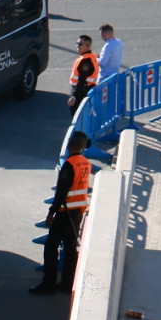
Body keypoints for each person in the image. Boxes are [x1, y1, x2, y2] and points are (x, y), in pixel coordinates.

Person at [31, 131, 92, 295]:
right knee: (71, 247)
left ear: (70, 144)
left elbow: (62, 192)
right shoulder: (85, 163)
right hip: (78, 210)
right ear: (83, 146)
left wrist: (51, 212)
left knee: (51, 246)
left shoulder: (69, 164)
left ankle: (49, 283)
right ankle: (68, 283)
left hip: (66, 211)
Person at [68, 34, 100, 116]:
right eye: (77, 43)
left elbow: (82, 80)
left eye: (80, 44)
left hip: (81, 91)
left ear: (87, 46)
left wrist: (74, 97)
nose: (77, 46)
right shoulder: (90, 55)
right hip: (86, 89)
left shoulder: (85, 60)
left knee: (77, 116)